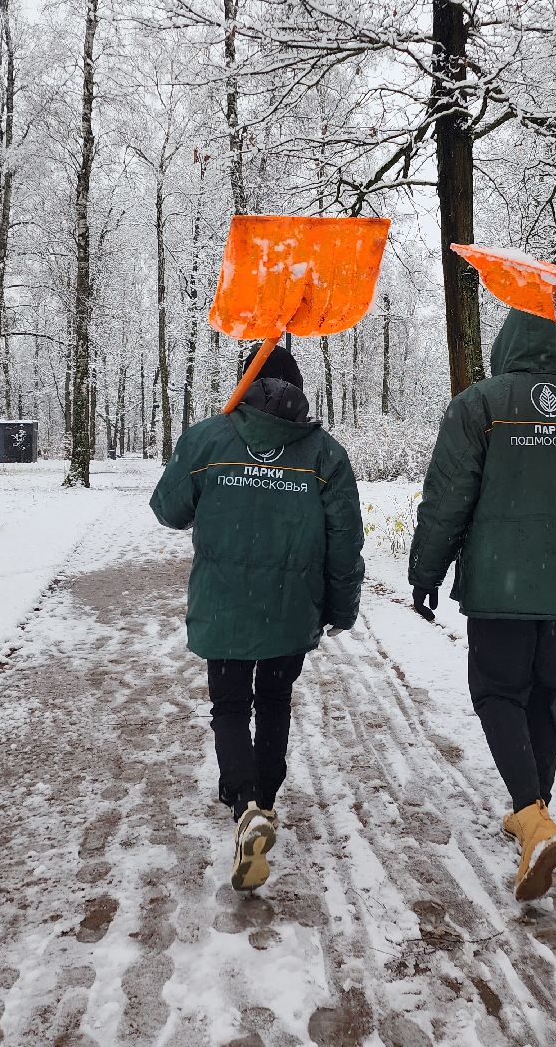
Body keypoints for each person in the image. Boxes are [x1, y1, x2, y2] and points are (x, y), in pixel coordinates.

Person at [408, 307, 556, 900]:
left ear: (507, 346)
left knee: (498, 692)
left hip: (502, 582)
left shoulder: (479, 405)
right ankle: (537, 808)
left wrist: (426, 569)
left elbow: (449, 495)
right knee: (544, 692)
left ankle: (532, 819)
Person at [151, 343, 364, 892]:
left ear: (245, 385)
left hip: (224, 602)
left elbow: (167, 509)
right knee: (272, 700)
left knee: (229, 702)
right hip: (291, 606)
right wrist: (341, 608)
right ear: (298, 390)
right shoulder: (324, 454)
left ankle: (244, 801)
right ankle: (264, 799)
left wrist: (204, 456)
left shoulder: (209, 438)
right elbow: (345, 541)